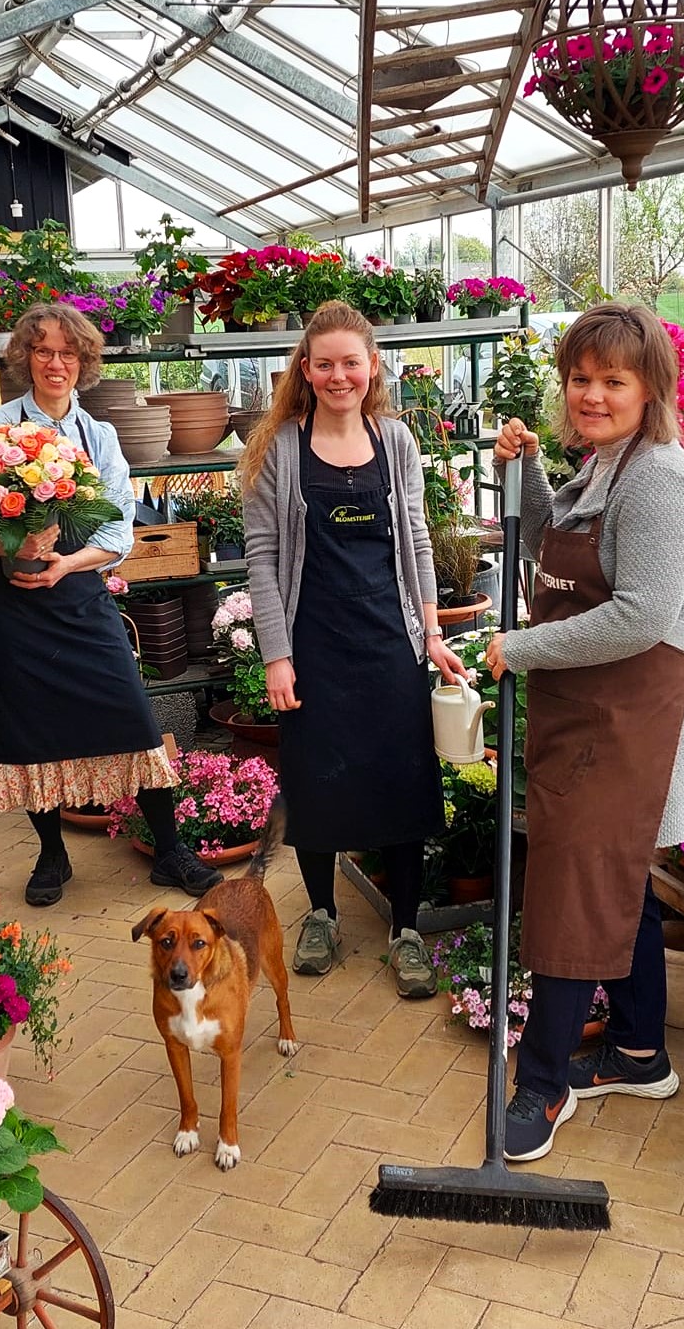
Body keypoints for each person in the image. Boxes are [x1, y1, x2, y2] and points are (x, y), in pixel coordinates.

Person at [486, 303, 684, 1162]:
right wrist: (534, 472)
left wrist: (520, 648)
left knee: (576, 896)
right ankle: (637, 1051)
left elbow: (643, 615)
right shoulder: (605, 468)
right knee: (620, 889)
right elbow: (555, 554)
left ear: (648, 385)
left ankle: (541, 1084)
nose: (590, 394)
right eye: (580, 378)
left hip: (627, 733)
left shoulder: (657, 477)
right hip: (592, 720)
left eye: (612, 380)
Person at [0, 302, 222, 908]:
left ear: (84, 361)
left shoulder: (97, 435)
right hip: (12, 605)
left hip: (77, 597)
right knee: (30, 728)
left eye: (68, 353)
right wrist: (12, 542)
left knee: (130, 715)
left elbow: (120, 530)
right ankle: (53, 854)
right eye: (43, 351)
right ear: (25, 358)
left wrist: (66, 563)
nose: (56, 363)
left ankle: (170, 850)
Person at [240, 301, 467, 997]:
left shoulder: (394, 442)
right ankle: (321, 913)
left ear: (372, 369)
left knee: (401, 781)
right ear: (304, 371)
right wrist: (276, 655)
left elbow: (419, 541)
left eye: (352, 363)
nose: (339, 375)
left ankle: (405, 930)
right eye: (325, 363)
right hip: (312, 645)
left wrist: (429, 633)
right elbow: (261, 556)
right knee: (316, 782)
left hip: (387, 640)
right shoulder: (278, 446)